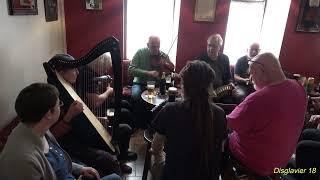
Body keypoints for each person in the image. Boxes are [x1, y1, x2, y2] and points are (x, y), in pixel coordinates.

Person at [0, 83, 121, 180]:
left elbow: (59, 160)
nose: (61, 107)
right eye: (59, 104)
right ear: (48, 114)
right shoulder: (24, 162)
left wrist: (79, 169)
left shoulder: (37, 128)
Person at [49, 54, 136, 175]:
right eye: (74, 69)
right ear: (61, 73)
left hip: (80, 132)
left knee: (119, 130)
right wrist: (69, 116)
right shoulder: (52, 97)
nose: (78, 72)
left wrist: (98, 119)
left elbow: (82, 114)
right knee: (107, 154)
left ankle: (118, 161)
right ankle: (115, 165)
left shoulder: (69, 87)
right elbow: (51, 135)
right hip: (70, 142)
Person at [227, 53, 307, 176]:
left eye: (252, 74)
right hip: (281, 161)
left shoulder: (258, 99)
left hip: (256, 163)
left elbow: (229, 123)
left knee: (220, 135)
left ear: (263, 71)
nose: (251, 78)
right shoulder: (298, 87)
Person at [151, 60, 227, 180]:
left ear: (183, 85)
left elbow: (156, 147)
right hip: (209, 176)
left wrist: (162, 160)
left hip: (175, 176)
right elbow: (220, 148)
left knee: (156, 161)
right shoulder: (220, 113)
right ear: (209, 86)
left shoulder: (170, 109)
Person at [128, 36, 175, 127]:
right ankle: (138, 124)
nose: (156, 49)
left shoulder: (163, 56)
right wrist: (147, 73)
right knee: (136, 96)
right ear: (148, 45)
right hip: (140, 83)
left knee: (163, 100)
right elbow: (131, 70)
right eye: (153, 46)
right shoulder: (140, 53)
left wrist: (165, 65)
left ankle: (155, 124)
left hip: (157, 85)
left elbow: (171, 70)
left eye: (158, 46)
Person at [198, 34, 233, 103]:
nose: (211, 48)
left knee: (229, 101)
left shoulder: (225, 59)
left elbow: (228, 77)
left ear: (219, 47)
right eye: (209, 45)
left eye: (214, 46)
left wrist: (230, 84)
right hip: (205, 88)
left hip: (221, 89)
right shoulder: (201, 58)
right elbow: (196, 77)